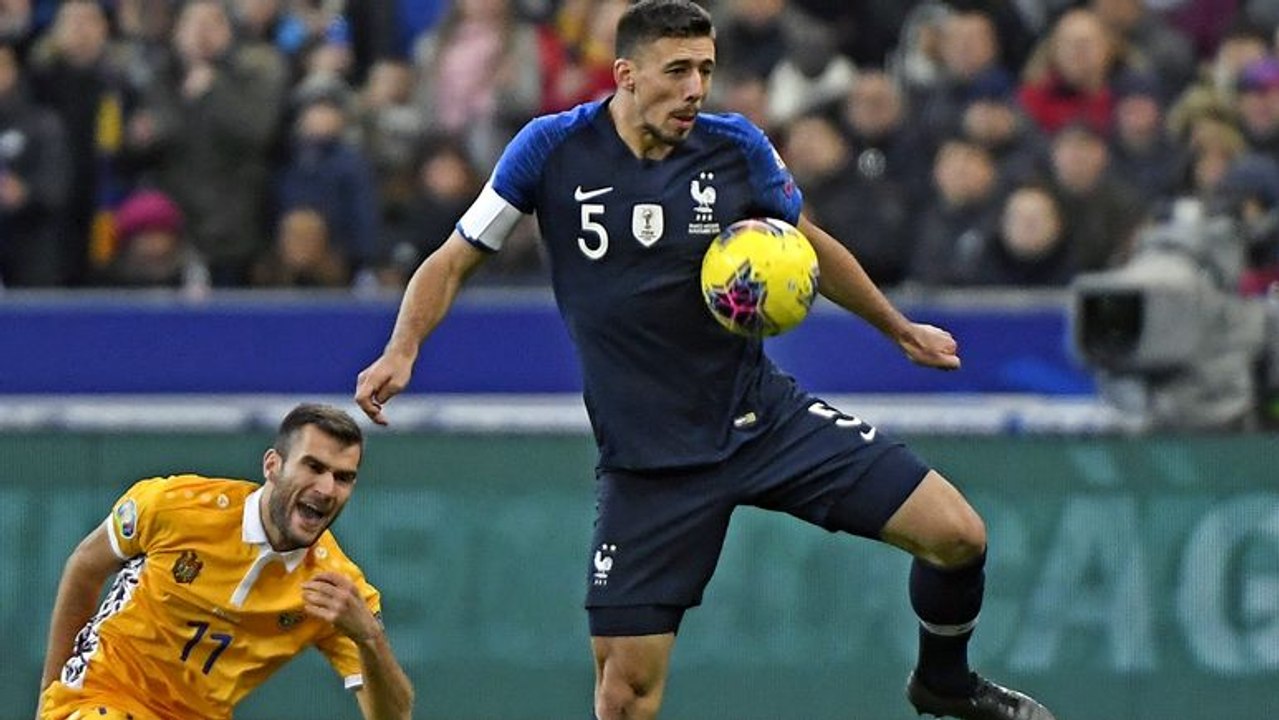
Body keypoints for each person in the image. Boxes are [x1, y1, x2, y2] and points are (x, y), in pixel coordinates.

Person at [354, 2, 1055, 719]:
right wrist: (402, 349)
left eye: (706, 70)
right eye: (678, 70)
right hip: (649, 465)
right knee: (623, 698)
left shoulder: (736, 148)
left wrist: (896, 328)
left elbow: (804, 242)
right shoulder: (551, 150)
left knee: (958, 535)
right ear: (625, 75)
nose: (695, 88)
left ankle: (943, 680)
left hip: (764, 420)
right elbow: (451, 260)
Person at [36, 404, 414, 720]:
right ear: (273, 465)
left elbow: (393, 717)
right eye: (313, 467)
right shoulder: (175, 505)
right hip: (104, 697)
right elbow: (85, 566)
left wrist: (370, 638)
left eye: (343, 478)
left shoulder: (338, 587)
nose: (327, 489)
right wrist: (51, 700)